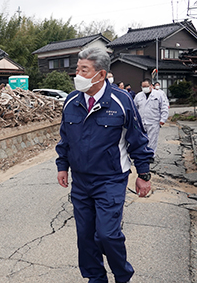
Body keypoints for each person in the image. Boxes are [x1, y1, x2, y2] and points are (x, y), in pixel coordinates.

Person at [56, 48, 154, 283]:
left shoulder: (121, 101)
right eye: (77, 69)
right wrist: (62, 166)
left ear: (100, 74)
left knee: (107, 235)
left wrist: (144, 174)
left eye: (83, 70)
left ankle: (122, 276)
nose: (77, 74)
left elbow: (137, 139)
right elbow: (65, 138)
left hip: (110, 179)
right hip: (81, 181)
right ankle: (96, 278)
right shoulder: (71, 101)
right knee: (86, 237)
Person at [134, 79, 169, 152]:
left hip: (154, 121)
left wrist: (163, 119)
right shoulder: (138, 96)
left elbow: (164, 107)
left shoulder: (158, 95)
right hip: (141, 121)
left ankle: (151, 155)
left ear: (151, 86)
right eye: (143, 86)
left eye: (146, 86)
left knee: (152, 139)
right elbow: (134, 108)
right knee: (141, 139)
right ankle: (143, 153)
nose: (145, 88)